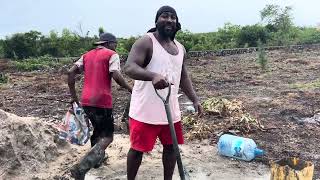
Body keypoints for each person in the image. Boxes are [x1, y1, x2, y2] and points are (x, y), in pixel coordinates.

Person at [124, 6, 203, 180]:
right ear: (156, 20)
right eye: (164, 16)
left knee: (171, 148)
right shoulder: (146, 41)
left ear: (177, 22)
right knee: (137, 150)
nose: (169, 20)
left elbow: (182, 76)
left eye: (173, 17)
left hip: (171, 110)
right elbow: (129, 67)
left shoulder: (180, 48)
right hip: (145, 111)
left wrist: (195, 99)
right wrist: (152, 76)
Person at [68, 32, 132, 180]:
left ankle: (97, 160)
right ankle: (82, 167)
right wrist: (130, 88)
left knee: (98, 130)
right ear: (109, 43)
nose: (116, 48)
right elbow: (115, 74)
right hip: (102, 101)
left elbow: (71, 72)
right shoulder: (111, 55)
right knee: (108, 137)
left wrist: (73, 97)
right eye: (115, 45)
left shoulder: (86, 55)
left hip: (85, 100)